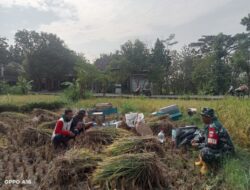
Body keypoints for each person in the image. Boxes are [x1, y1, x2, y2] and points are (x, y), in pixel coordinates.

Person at [191, 108, 234, 174]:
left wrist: (198, 145)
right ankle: (202, 161)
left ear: (208, 117)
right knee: (202, 147)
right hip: (218, 146)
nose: (202, 118)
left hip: (226, 152)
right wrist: (196, 140)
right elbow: (203, 133)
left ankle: (208, 167)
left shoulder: (213, 127)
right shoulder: (209, 124)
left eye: (203, 116)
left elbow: (211, 145)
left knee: (205, 152)